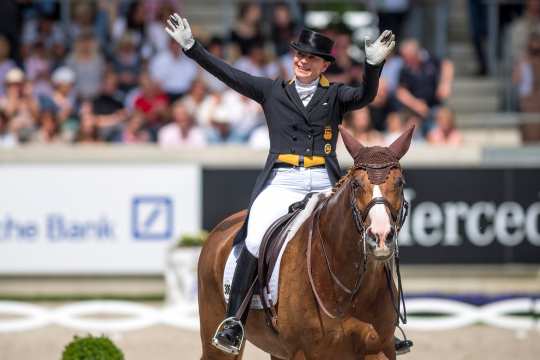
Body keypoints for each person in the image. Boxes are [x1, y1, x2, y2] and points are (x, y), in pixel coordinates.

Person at [165, 13, 399, 355]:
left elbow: (365, 95)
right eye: (299, 56)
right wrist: (192, 47)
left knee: (373, 234)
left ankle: (388, 322)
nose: (303, 61)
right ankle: (234, 321)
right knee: (257, 234)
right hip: (283, 181)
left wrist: (373, 65)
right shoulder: (272, 91)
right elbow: (230, 75)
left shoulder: (334, 95)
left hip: (324, 181)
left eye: (311, 58)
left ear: (323, 65)